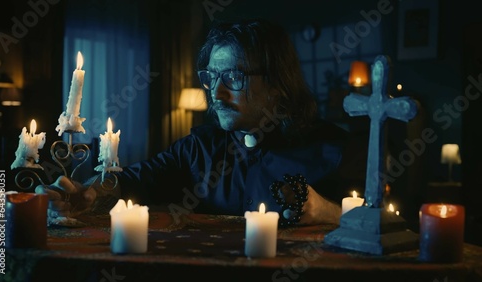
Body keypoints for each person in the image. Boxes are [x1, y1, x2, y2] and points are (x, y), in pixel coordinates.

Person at [36, 18, 366, 227]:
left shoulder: (333, 148)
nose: (217, 93)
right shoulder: (199, 147)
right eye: (212, 76)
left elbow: (385, 224)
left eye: (234, 76)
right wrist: (89, 194)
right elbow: (137, 179)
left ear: (278, 83)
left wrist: (328, 212)